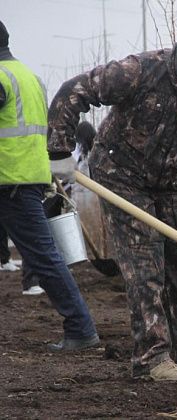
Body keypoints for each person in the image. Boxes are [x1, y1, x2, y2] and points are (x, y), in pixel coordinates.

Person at [47, 13, 177, 382]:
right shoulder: (140, 71)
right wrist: (59, 151)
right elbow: (75, 90)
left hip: (170, 182)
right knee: (144, 263)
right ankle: (151, 358)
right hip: (120, 173)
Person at [0, 21, 99, 351]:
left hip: (10, 179)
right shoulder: (30, 77)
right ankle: (80, 327)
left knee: (44, 258)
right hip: (27, 176)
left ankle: (81, 329)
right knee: (43, 255)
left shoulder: (1, 78)